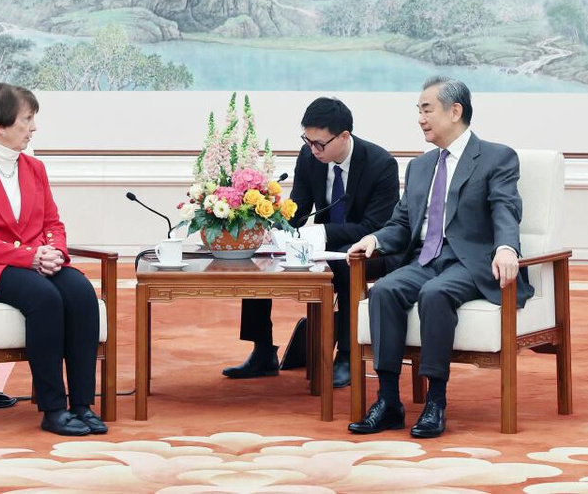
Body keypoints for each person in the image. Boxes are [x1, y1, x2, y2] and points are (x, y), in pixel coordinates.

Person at [347, 76, 531, 438]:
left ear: (455, 111)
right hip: (425, 258)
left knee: (436, 295)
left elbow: (505, 208)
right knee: (383, 290)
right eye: (418, 111)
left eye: (426, 109)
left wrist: (507, 248)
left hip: (471, 261)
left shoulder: (496, 157)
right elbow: (401, 223)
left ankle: (436, 402)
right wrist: (374, 238)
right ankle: (388, 402)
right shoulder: (420, 166)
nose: (420, 118)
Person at [0, 83, 106, 437]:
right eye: (27, 120)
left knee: (80, 291)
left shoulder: (34, 168)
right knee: (43, 297)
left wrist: (55, 253)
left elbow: (52, 223)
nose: (34, 128)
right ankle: (53, 407)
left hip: (30, 261)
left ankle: (82, 404)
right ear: (0, 124)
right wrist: (29, 257)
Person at [223, 97, 401, 387]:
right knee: (262, 255)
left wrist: (321, 234)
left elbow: (376, 226)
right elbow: (300, 208)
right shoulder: (309, 157)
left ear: (344, 136)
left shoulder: (380, 164)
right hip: (326, 244)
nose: (313, 149)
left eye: (320, 144)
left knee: (345, 262)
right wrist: (271, 230)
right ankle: (263, 351)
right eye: (308, 141)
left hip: (373, 248)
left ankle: (346, 356)